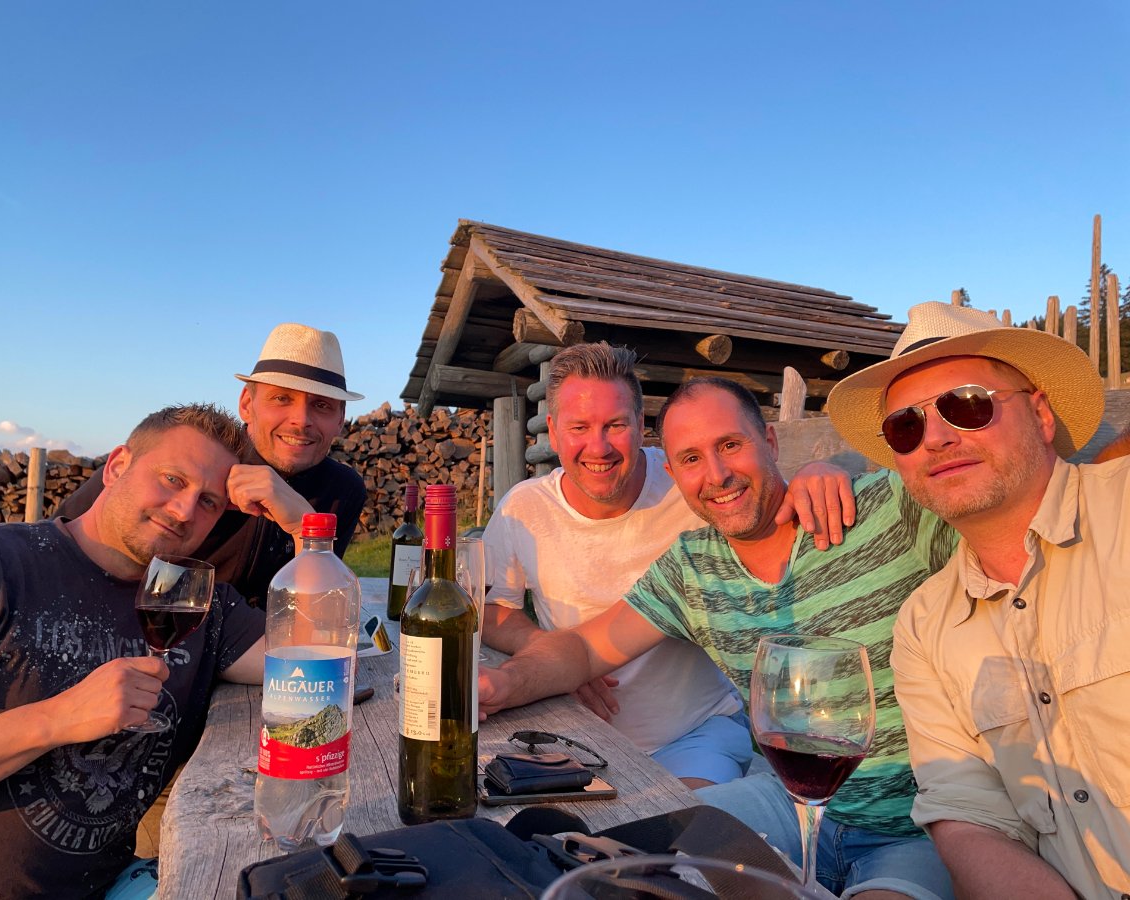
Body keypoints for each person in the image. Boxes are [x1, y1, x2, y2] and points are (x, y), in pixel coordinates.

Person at [481, 376, 958, 900]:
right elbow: (584, 648)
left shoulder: (885, 511)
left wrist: (838, 465)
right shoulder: (692, 568)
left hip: (918, 825)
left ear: (770, 442)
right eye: (691, 459)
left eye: (730, 445)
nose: (717, 474)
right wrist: (504, 685)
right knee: (610, 864)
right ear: (673, 474)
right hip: (784, 802)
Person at [826, 301, 1126, 899]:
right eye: (906, 427)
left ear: (1040, 414)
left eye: (967, 405)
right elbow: (967, 816)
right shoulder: (924, 625)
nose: (936, 438)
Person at [0, 403, 267, 900]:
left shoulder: (196, 600)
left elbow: (317, 655)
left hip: (112, 886)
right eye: (172, 480)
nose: (184, 511)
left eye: (209, 502)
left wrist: (303, 525)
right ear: (117, 466)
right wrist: (56, 719)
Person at [58, 323, 367, 606]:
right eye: (281, 399)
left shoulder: (343, 491)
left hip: (256, 643)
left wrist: (307, 525)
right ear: (247, 404)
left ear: (340, 420)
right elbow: (61, 549)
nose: (301, 420)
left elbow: (320, 610)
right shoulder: (188, 459)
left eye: (322, 405)